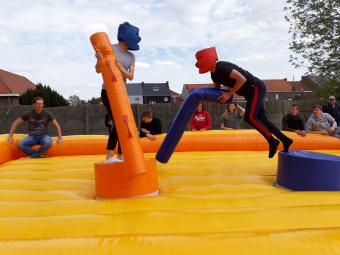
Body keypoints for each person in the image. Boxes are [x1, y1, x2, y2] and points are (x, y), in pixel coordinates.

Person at [195, 47, 293, 158]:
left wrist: (229, 93)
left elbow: (242, 79)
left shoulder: (222, 67)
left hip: (255, 87)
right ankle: (285, 140)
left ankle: (272, 141)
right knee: (262, 119)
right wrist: (206, 98)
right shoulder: (214, 75)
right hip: (249, 93)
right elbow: (217, 90)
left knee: (250, 117)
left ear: (208, 60)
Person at [95, 21, 141, 163]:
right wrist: (99, 60)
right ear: (127, 35)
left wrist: (121, 68)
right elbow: (98, 70)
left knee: (125, 122)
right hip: (107, 91)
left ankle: (121, 156)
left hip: (121, 93)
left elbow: (131, 76)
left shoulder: (131, 57)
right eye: (136, 34)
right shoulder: (110, 48)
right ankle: (109, 155)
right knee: (117, 122)